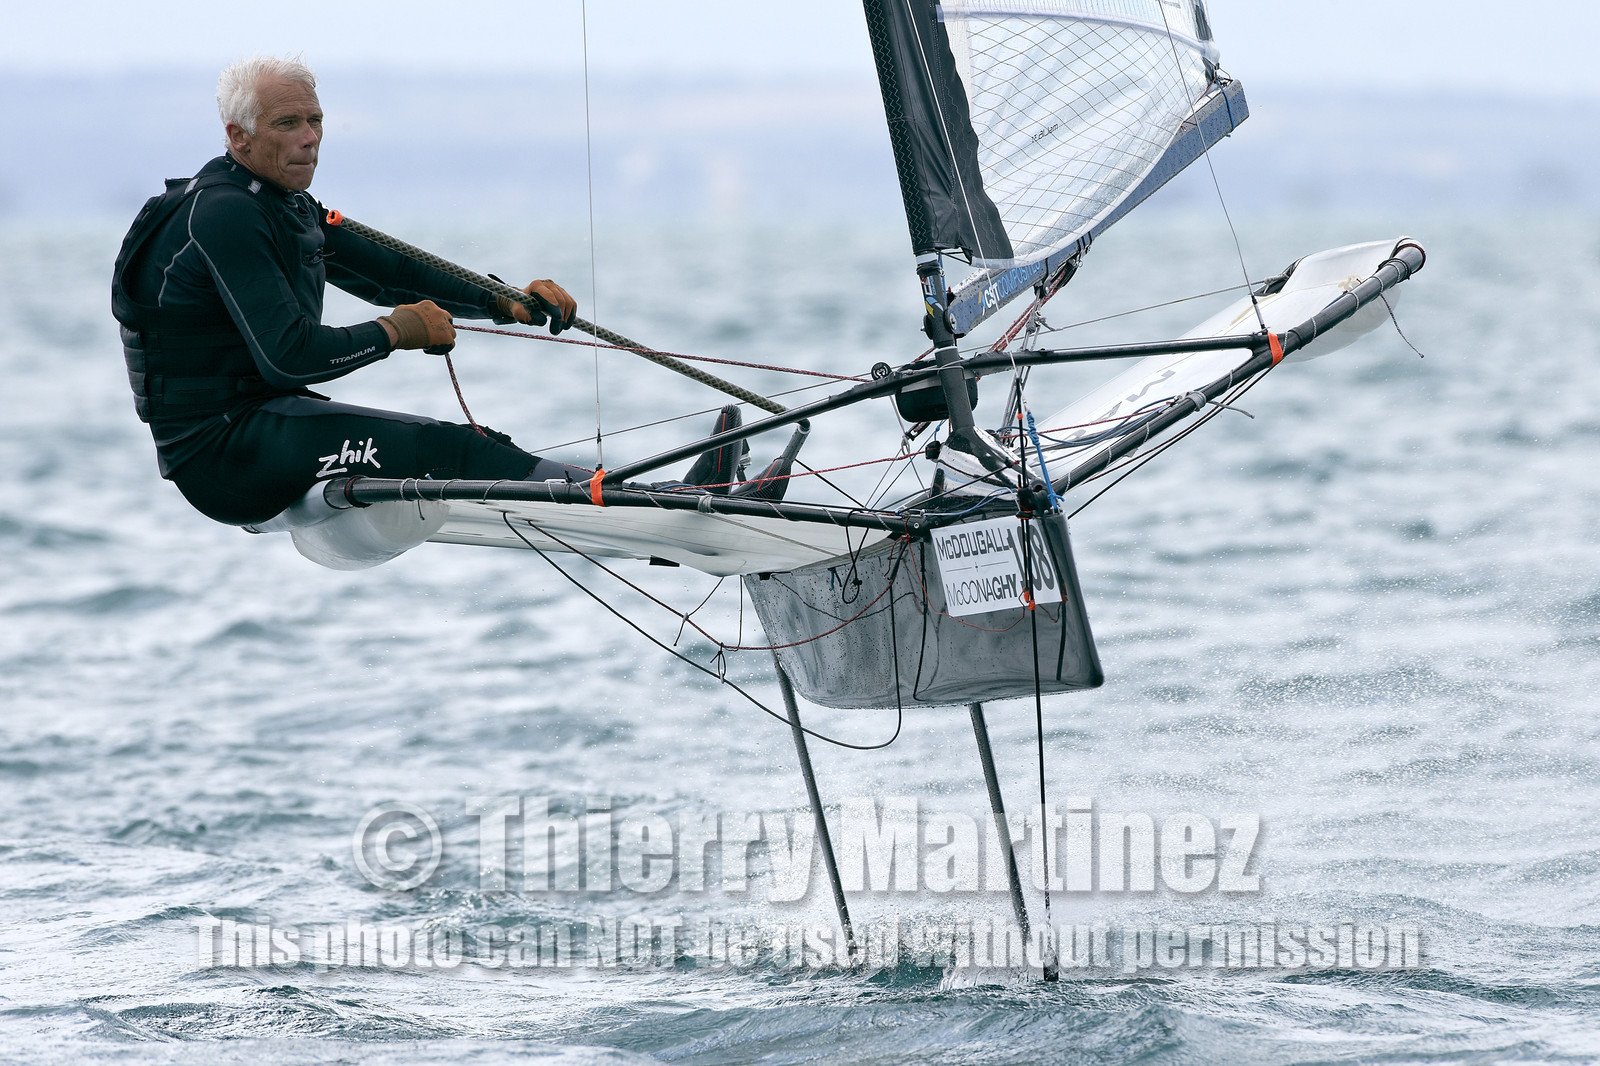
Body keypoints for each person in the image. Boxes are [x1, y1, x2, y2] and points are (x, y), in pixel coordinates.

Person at [112, 56, 750, 529]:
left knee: (478, 447)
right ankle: (673, 508)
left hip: (262, 426)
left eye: (315, 120)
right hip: (223, 454)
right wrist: (396, 332)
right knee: (454, 448)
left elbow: (392, 271)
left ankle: (659, 502)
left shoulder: (283, 203)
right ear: (238, 136)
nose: (309, 137)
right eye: (288, 123)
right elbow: (290, 356)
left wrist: (503, 301)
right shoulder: (223, 213)